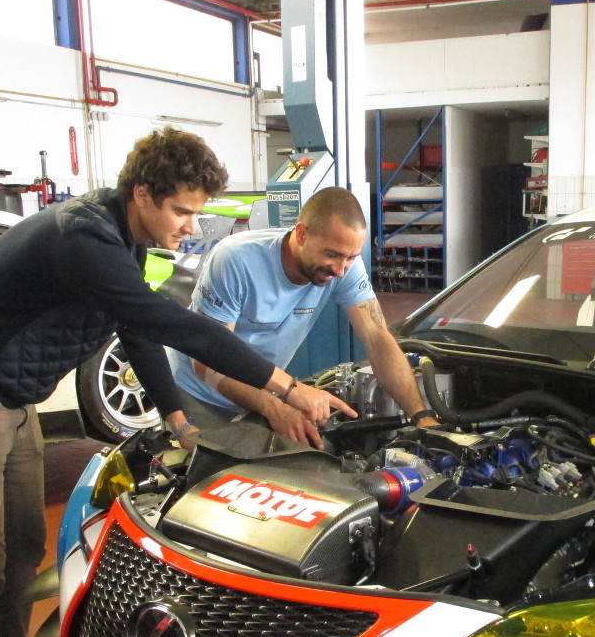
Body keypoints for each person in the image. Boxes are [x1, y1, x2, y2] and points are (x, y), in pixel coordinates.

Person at [0, 127, 349, 637]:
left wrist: (178, 419)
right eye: (182, 211)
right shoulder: (82, 239)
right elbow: (173, 324)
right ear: (142, 194)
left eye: (196, 212)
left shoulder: (124, 240)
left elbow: (136, 328)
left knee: (21, 550)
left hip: (11, 402)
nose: (191, 226)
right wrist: (284, 384)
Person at [168, 186, 439, 448]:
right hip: (201, 395)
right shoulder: (236, 260)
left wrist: (421, 416)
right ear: (301, 234)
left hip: (266, 387)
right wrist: (276, 403)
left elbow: (378, 337)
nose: (340, 270)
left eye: (350, 258)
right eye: (332, 254)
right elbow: (206, 363)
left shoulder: (345, 265)